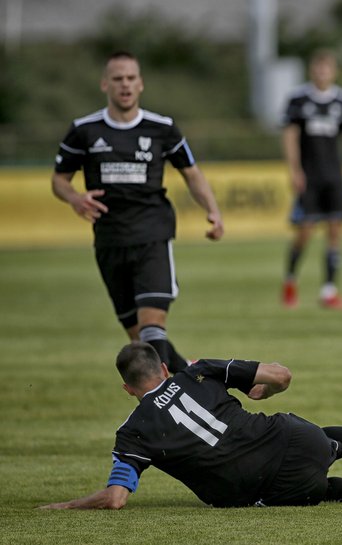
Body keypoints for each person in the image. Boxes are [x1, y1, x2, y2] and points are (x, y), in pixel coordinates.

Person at [39, 342, 342, 509]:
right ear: (165, 367)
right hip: (295, 437)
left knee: (319, 488)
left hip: (259, 488)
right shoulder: (198, 372)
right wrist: (264, 393)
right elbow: (282, 375)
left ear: (127, 388)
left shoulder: (132, 433)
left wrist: (65, 505)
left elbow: (115, 499)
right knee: (316, 441)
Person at [52, 51, 224, 373]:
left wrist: (213, 211)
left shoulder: (163, 128)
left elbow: (192, 174)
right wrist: (75, 198)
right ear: (106, 84)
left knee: (152, 330)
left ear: (141, 84)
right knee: (143, 348)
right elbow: (59, 181)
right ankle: (195, 374)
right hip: (109, 241)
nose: (125, 85)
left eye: (131, 78)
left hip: (152, 235)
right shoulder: (83, 130)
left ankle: (177, 409)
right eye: (118, 79)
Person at [281, 49, 342, 310]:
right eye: (318, 68)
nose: (322, 73)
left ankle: (328, 291)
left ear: (333, 72)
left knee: (334, 232)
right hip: (309, 176)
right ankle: (290, 282)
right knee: (304, 232)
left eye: (326, 68)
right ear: (311, 71)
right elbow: (290, 136)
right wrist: (294, 170)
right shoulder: (298, 99)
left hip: (334, 176)